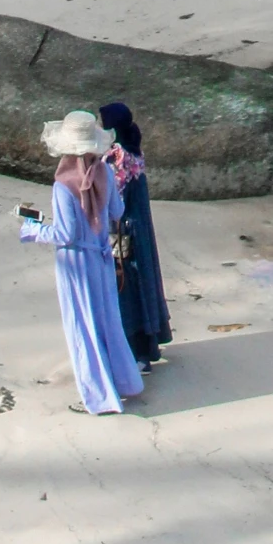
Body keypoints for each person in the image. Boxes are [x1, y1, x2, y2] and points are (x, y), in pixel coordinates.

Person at [19, 110, 142, 416]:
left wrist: (33, 230)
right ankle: (125, 382)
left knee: (82, 327)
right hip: (101, 257)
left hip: (76, 263)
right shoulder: (105, 174)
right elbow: (116, 211)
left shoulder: (63, 186)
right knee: (107, 321)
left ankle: (98, 397)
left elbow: (64, 233)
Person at [99, 101, 173, 370]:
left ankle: (136, 354)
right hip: (138, 229)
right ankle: (148, 345)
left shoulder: (117, 155)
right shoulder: (133, 147)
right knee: (141, 280)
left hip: (121, 232)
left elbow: (112, 201)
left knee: (123, 287)